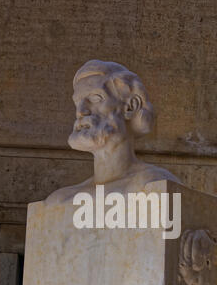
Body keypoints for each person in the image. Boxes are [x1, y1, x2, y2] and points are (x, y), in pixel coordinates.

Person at [45, 59, 179, 206]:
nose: (81, 111)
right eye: (77, 102)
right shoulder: (60, 200)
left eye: (95, 98)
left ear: (131, 107)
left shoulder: (153, 185)